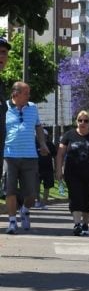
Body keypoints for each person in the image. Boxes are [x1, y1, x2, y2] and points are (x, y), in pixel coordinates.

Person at [4, 82, 50, 234]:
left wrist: (43, 143)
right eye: (26, 93)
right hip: (9, 155)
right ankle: (12, 222)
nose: (29, 96)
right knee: (9, 190)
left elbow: (38, 127)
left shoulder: (33, 108)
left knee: (31, 194)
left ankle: (24, 209)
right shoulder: (4, 108)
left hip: (30, 156)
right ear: (15, 94)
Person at [56, 111, 89, 236]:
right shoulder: (69, 135)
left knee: (88, 197)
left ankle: (85, 224)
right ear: (76, 121)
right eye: (80, 120)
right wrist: (58, 170)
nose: (82, 123)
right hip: (72, 172)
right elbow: (60, 154)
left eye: (86, 121)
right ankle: (77, 224)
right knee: (75, 196)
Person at [36, 129, 56, 209]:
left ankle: (44, 203)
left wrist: (57, 169)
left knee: (47, 187)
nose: (41, 136)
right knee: (36, 186)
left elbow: (55, 156)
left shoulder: (50, 145)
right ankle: (38, 201)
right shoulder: (35, 144)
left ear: (46, 136)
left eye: (43, 135)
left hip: (48, 169)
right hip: (37, 169)